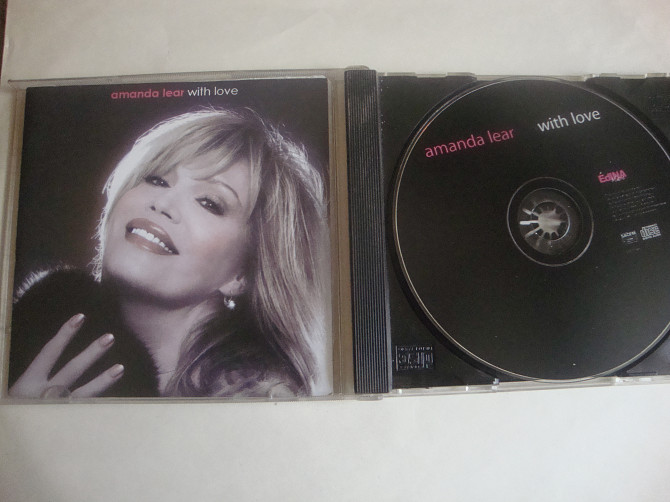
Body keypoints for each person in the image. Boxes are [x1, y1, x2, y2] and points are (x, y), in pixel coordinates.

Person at [8, 108, 331, 398]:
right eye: (157, 179)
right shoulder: (30, 331)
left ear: (243, 274)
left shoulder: (263, 409)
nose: (162, 204)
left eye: (209, 202)